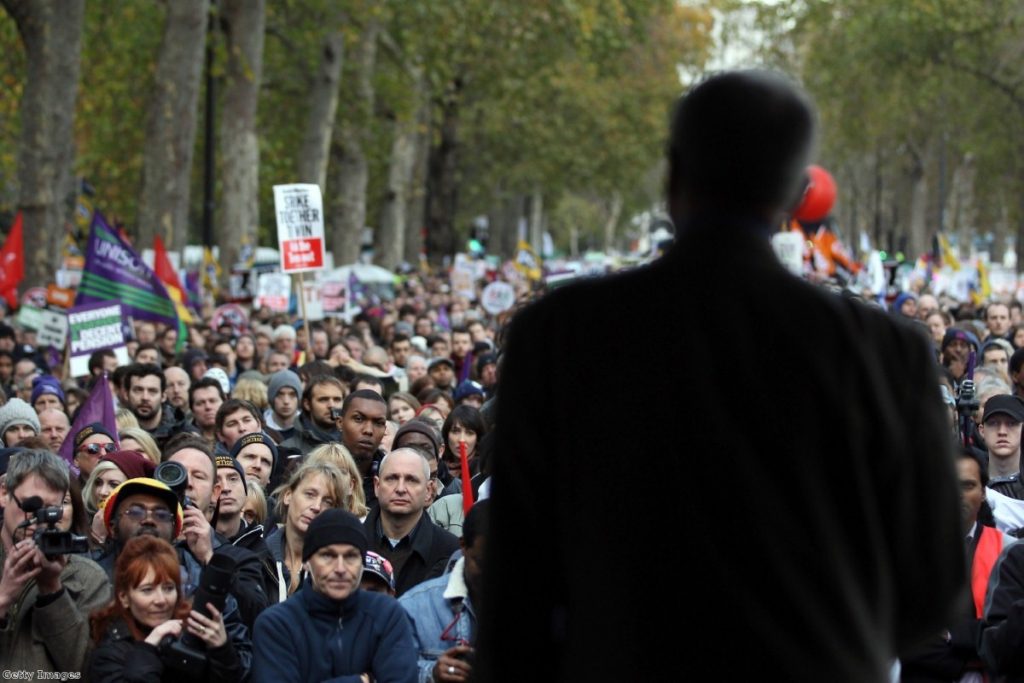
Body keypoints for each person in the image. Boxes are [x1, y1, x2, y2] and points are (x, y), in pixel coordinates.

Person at [478, 70, 963, 683]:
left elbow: (515, 595)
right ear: (795, 196)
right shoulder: (885, 352)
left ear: (673, 176)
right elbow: (933, 589)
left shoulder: (561, 336)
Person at [252, 508, 418, 683]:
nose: (340, 569)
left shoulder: (387, 615)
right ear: (307, 562)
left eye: (351, 557)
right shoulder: (277, 624)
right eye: (328, 556)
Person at [901, 447, 1013, 681]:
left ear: (983, 493)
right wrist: (969, 657)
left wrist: (952, 635)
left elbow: (1012, 635)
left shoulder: (1008, 550)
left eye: (967, 486)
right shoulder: (905, 553)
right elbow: (903, 636)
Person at [0, 449, 111, 672]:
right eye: (31, 506)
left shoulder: (88, 578)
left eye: (51, 509)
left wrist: (52, 590)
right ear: (4, 494)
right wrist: (3, 598)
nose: (39, 519)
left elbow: (84, 670)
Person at [87, 535, 243, 682]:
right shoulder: (109, 654)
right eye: (147, 590)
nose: (161, 600)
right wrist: (148, 648)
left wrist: (222, 650)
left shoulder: (191, 634)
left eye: (168, 588)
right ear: (124, 598)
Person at [401, 500, 488, 683]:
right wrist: (432, 674)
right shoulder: (415, 608)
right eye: (482, 562)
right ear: (463, 546)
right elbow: (391, 670)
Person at [364, 448, 459, 597]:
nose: (400, 489)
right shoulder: (350, 544)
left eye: (411, 480)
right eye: (392, 478)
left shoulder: (451, 551)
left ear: (429, 490)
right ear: (377, 486)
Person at [264, 461, 352, 601]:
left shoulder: (340, 570)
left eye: (327, 502)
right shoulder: (260, 556)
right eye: (310, 494)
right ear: (288, 495)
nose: (316, 507)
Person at [264, 369, 302, 441]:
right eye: (280, 394)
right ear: (271, 397)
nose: (286, 401)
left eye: (292, 395)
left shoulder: (309, 429)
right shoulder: (260, 429)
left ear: (299, 398)